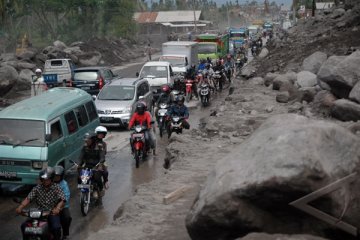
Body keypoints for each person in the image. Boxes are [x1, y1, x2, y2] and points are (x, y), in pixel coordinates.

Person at [16, 167, 65, 240]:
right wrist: (20, 207)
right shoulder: (37, 188)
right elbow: (28, 198)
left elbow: (62, 200)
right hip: (39, 211)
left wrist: (57, 208)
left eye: (47, 179)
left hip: (51, 212)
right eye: (43, 179)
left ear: (51, 179)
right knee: (24, 226)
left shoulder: (57, 188)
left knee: (56, 228)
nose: (45, 181)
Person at [54, 166, 72, 240]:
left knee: (67, 218)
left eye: (58, 176)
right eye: (55, 176)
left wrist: (59, 206)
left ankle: (65, 234)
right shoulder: (48, 182)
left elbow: (66, 196)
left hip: (62, 206)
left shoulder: (64, 184)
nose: (56, 177)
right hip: (49, 206)